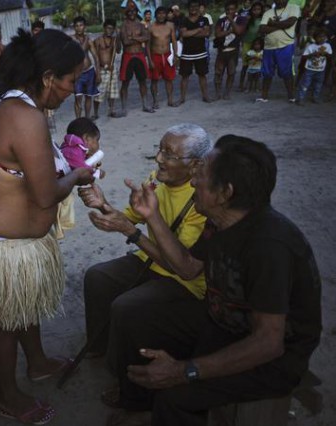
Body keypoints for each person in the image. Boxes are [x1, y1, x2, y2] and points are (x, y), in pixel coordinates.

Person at [122, 135, 321, 426]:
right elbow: (188, 267)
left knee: (175, 396)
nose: (192, 183)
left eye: (200, 177)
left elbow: (268, 343)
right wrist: (151, 216)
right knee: (137, 315)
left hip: (274, 359)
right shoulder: (220, 222)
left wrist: (184, 370)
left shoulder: (269, 246)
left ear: (225, 192)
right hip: (223, 322)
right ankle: (141, 406)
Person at [0, 29, 94, 424]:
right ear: (48, 76)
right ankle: (7, 394)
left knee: (24, 307)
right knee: (6, 323)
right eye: (71, 81)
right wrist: (80, 175)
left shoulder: (15, 104)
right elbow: (46, 195)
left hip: (15, 243)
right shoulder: (25, 116)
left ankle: (36, 361)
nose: (73, 89)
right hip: (6, 247)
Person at [79, 124, 211, 418]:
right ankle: (103, 349)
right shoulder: (157, 180)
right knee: (98, 277)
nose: (160, 159)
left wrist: (131, 232)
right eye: (160, 149)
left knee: (128, 308)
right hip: (150, 259)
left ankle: (135, 395)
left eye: (171, 154)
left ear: (196, 165)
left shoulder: (200, 199)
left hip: (183, 281)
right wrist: (104, 207)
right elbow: (131, 217)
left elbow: (180, 265)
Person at [256, 0, 301, 103]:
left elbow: (290, 23)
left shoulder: (293, 8)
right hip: (268, 47)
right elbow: (262, 29)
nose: (280, 1)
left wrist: (272, 24)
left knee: (287, 72)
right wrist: (280, 25)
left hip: (285, 45)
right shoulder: (268, 12)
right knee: (267, 73)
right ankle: (264, 97)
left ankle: (291, 96)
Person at [118, 2, 154, 114]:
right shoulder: (124, 25)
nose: (132, 13)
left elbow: (146, 37)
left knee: (142, 81)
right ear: (127, 13)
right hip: (128, 55)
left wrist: (133, 37)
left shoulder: (140, 25)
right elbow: (125, 41)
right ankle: (124, 107)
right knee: (125, 82)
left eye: (133, 11)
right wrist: (139, 38)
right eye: (129, 11)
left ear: (137, 12)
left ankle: (145, 104)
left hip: (139, 55)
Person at [178, 0, 213, 105]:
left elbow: (206, 33)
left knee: (202, 75)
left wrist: (190, 33)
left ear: (199, 7)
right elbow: (183, 34)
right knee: (185, 76)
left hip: (201, 52)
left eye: (196, 6)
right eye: (191, 6)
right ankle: (182, 98)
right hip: (186, 53)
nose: (194, 8)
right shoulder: (184, 20)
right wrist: (198, 30)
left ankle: (205, 96)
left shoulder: (205, 19)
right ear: (188, 8)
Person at [213, 0, 248, 100]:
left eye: (232, 9)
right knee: (218, 72)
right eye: (227, 9)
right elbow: (217, 34)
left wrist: (232, 21)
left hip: (233, 50)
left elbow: (239, 31)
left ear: (236, 10)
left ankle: (227, 92)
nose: (229, 11)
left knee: (231, 72)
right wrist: (229, 31)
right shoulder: (221, 20)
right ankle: (217, 93)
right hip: (222, 50)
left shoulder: (241, 19)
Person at [149, 7, 179, 108]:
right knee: (154, 79)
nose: (161, 16)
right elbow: (148, 45)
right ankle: (155, 101)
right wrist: (149, 60)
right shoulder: (151, 27)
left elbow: (174, 41)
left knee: (169, 79)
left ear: (166, 15)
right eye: (159, 14)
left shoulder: (170, 25)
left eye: (163, 13)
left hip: (167, 55)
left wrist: (175, 55)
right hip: (155, 55)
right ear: (155, 15)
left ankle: (170, 100)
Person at [72, 16, 101, 119]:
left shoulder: (89, 40)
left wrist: (98, 73)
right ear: (74, 27)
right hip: (78, 73)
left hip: (89, 72)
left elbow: (96, 57)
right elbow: (76, 52)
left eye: (81, 25)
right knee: (78, 97)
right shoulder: (71, 40)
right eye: (77, 26)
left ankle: (87, 118)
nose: (79, 28)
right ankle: (78, 120)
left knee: (89, 96)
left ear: (85, 27)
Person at [94, 19, 123, 118]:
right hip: (101, 69)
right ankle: (95, 113)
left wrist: (118, 37)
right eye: (108, 28)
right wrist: (97, 72)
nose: (110, 31)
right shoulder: (98, 40)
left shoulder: (114, 40)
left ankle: (111, 110)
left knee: (112, 91)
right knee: (99, 92)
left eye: (112, 29)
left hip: (112, 69)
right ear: (104, 28)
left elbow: (118, 51)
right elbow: (95, 57)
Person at [297, 27, 332, 104]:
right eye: (319, 37)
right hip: (310, 69)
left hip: (321, 70)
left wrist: (326, 54)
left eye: (324, 37)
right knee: (305, 84)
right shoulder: (311, 46)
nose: (322, 39)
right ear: (315, 38)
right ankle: (301, 98)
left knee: (318, 85)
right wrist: (313, 54)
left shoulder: (328, 46)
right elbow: (304, 56)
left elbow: (330, 56)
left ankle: (315, 97)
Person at [238, 1, 264, 91]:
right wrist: (247, 21)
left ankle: (256, 85)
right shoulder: (248, 19)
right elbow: (243, 30)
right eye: (254, 9)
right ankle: (241, 84)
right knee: (245, 64)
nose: (256, 11)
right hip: (247, 43)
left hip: (257, 44)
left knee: (258, 63)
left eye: (258, 9)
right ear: (251, 10)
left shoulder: (263, 19)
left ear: (261, 10)